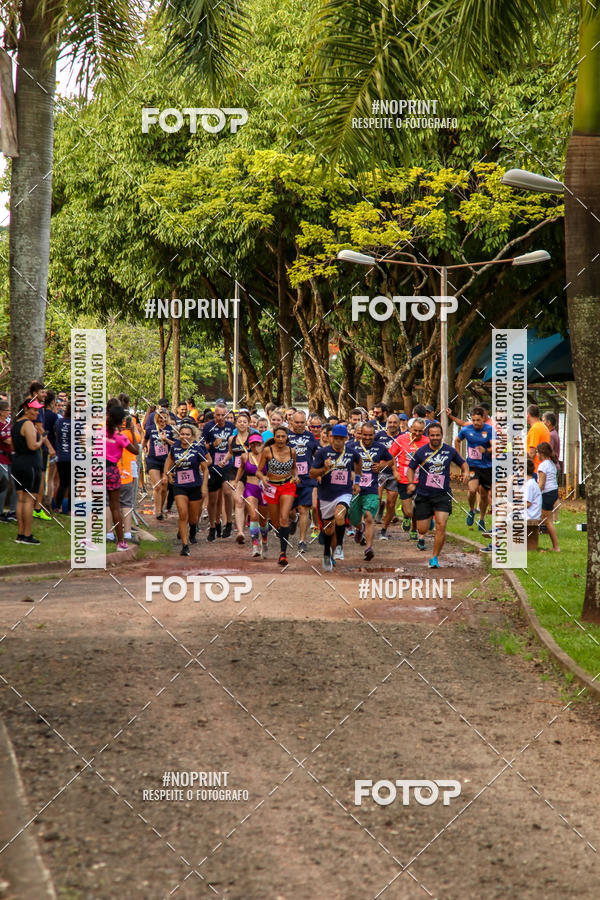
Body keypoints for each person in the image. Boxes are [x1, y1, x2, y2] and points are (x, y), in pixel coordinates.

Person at [406, 423, 469, 568]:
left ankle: (434, 557)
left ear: (442, 436)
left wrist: (465, 471)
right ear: (428, 436)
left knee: (442, 526)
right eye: (432, 435)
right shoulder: (421, 452)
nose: (435, 438)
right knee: (423, 529)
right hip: (424, 494)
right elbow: (411, 468)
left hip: (442, 494)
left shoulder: (449, 451)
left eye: (438, 435)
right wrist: (410, 482)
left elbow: (463, 463)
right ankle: (428, 521)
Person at [310, 424, 361, 571]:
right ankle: (327, 552)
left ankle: (339, 546)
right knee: (328, 530)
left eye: (341, 439)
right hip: (326, 495)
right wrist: (324, 468)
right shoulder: (322, 453)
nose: (338, 441)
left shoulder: (351, 453)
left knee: (340, 516)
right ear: (331, 438)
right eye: (335, 438)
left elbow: (359, 464)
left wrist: (356, 482)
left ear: (346, 438)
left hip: (344, 493)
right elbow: (312, 473)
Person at [348, 422, 393, 561]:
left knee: (368, 517)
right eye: (365, 435)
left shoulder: (380, 447)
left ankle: (368, 548)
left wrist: (381, 466)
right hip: (354, 490)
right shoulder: (351, 447)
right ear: (360, 434)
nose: (367, 438)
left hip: (372, 489)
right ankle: (359, 527)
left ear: (374, 435)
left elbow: (391, 461)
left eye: (370, 435)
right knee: (352, 517)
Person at [163, 423, 209, 556]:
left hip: (195, 486)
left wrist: (204, 486)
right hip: (179, 486)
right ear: (179, 435)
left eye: (187, 434)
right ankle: (185, 545)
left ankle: (193, 528)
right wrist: (167, 472)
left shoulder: (197, 449)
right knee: (183, 514)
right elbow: (169, 460)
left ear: (193, 436)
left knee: (193, 518)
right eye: (182, 434)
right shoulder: (175, 447)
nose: (184, 437)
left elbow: (205, 468)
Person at [256, 426, 298, 566]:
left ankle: (283, 554)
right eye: (278, 436)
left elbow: (294, 468)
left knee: (284, 518)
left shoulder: (292, 451)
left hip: (287, 486)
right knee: (275, 523)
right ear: (274, 437)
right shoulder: (268, 451)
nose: (280, 439)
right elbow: (258, 471)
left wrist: (296, 476)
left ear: (287, 438)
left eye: (283, 436)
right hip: (271, 487)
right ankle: (282, 533)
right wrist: (263, 478)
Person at [11, 398, 46, 544]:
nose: (37, 413)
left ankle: (20, 534)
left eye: (38, 410)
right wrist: (42, 441)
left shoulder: (16, 424)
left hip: (18, 463)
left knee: (21, 499)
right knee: (29, 500)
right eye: (34, 409)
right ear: (26, 409)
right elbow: (32, 446)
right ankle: (26, 534)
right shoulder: (28, 424)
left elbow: (13, 446)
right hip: (30, 465)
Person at [104, 405, 139, 550]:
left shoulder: (100, 432)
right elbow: (136, 451)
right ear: (122, 421)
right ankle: (121, 541)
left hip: (97, 469)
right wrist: (131, 431)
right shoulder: (120, 437)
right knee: (115, 506)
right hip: (112, 470)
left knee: (99, 504)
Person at [387, 417, 428, 541]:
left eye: (420, 431)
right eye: (415, 430)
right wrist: (395, 471)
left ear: (424, 431)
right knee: (409, 511)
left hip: (420, 480)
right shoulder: (401, 439)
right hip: (404, 479)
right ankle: (406, 517)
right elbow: (390, 455)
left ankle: (414, 529)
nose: (417, 433)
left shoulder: (427, 442)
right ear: (410, 429)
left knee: (418, 508)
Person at [455, 406, 495, 532]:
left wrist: (486, 450)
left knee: (484, 495)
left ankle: (481, 519)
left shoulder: (489, 430)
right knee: (472, 490)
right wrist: (459, 459)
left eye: (478, 420)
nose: (476, 423)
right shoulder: (466, 430)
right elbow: (457, 440)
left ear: (483, 419)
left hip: (488, 466)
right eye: (474, 420)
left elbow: (495, 447)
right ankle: (471, 510)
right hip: (473, 465)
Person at [287, 410, 320, 553]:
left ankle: (302, 541)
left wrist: (318, 470)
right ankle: (293, 521)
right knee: (290, 511)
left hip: (306, 479)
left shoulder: (310, 436)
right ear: (291, 422)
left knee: (304, 509)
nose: (300, 425)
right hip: (288, 479)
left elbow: (316, 455)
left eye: (302, 422)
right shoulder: (285, 436)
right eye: (297, 422)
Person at [203, 401, 235, 541]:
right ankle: (213, 526)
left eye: (223, 415)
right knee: (213, 499)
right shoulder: (208, 427)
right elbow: (202, 447)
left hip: (227, 465)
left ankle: (228, 522)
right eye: (217, 415)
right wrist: (211, 444)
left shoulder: (231, 427)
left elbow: (236, 444)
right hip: (212, 467)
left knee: (228, 492)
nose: (220, 418)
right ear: (214, 414)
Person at [234, 433, 269, 558]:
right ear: (249, 445)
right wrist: (236, 481)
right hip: (250, 488)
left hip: (265, 490)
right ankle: (255, 545)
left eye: (258, 443)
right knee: (253, 515)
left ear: (262, 444)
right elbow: (241, 468)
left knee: (264, 520)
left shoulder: (268, 456)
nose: (255, 446)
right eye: (253, 444)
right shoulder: (245, 456)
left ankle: (264, 541)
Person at [223, 410, 252, 543]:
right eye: (239, 421)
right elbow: (231, 453)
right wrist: (224, 460)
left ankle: (247, 527)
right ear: (235, 423)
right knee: (238, 501)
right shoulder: (232, 439)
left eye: (244, 422)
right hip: (235, 473)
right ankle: (240, 532)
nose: (241, 424)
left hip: (250, 473)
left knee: (248, 503)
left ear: (249, 424)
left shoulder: (253, 438)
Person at [143, 408, 175, 520]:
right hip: (153, 460)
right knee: (157, 485)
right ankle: (157, 512)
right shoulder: (151, 429)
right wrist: (144, 448)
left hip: (167, 461)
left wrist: (166, 439)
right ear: (157, 417)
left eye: (165, 416)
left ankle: (160, 508)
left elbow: (176, 445)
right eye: (160, 417)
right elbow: (145, 440)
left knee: (164, 485)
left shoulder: (171, 429)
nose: (162, 419)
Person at [373, 413, 401, 526]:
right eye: (390, 422)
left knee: (391, 502)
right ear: (387, 424)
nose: (392, 425)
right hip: (380, 472)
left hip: (395, 473)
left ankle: (386, 521)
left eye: (395, 422)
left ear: (399, 424)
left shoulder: (403, 437)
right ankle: (379, 510)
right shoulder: (379, 435)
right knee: (377, 497)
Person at [536, 442, 560, 551]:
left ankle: (556, 547)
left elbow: (541, 484)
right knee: (545, 520)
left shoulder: (543, 466)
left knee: (547, 521)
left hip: (547, 494)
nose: (536, 454)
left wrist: (533, 495)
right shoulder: (551, 464)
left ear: (542, 453)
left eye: (537, 452)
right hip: (554, 492)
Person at [0, 399, 16, 522]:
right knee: (3, 485)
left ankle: (11, 511)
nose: (9, 412)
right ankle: (1, 513)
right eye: (7, 410)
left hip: (9, 457)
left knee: (12, 484)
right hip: (2, 458)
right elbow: (8, 440)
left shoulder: (7, 423)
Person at [54, 402, 72, 514]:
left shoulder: (59, 421)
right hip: (72, 457)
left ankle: (58, 507)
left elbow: (56, 435)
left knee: (62, 483)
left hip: (60, 456)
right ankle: (70, 510)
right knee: (71, 484)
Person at [526, 404, 550, 473]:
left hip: (535, 469)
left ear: (528, 414)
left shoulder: (535, 429)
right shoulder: (544, 427)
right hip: (543, 467)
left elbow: (532, 453)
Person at [526, 457, 542, 523]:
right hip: (532, 515)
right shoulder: (531, 483)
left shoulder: (529, 485)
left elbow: (527, 504)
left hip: (530, 517)